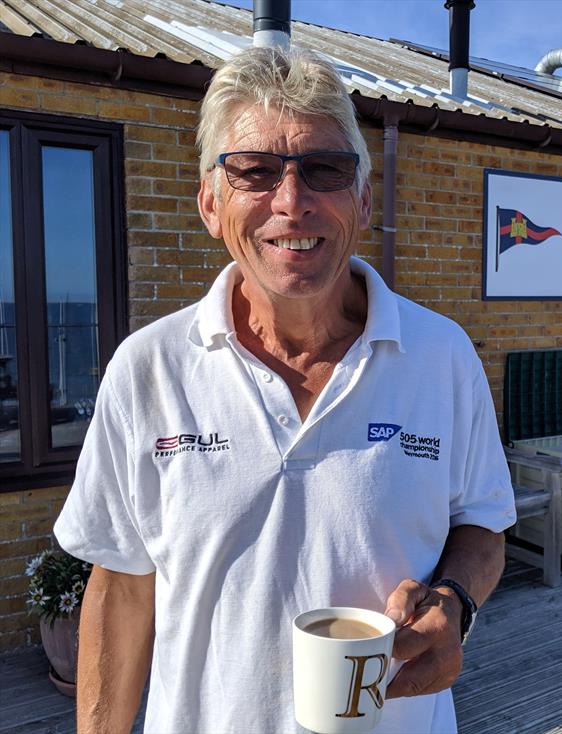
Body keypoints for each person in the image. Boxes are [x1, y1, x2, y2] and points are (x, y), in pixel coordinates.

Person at [54, 45, 516, 734]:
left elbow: (483, 522)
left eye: (324, 169)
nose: (292, 202)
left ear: (362, 198)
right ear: (211, 203)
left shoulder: (442, 354)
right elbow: (121, 589)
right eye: (254, 171)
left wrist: (456, 597)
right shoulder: (147, 369)